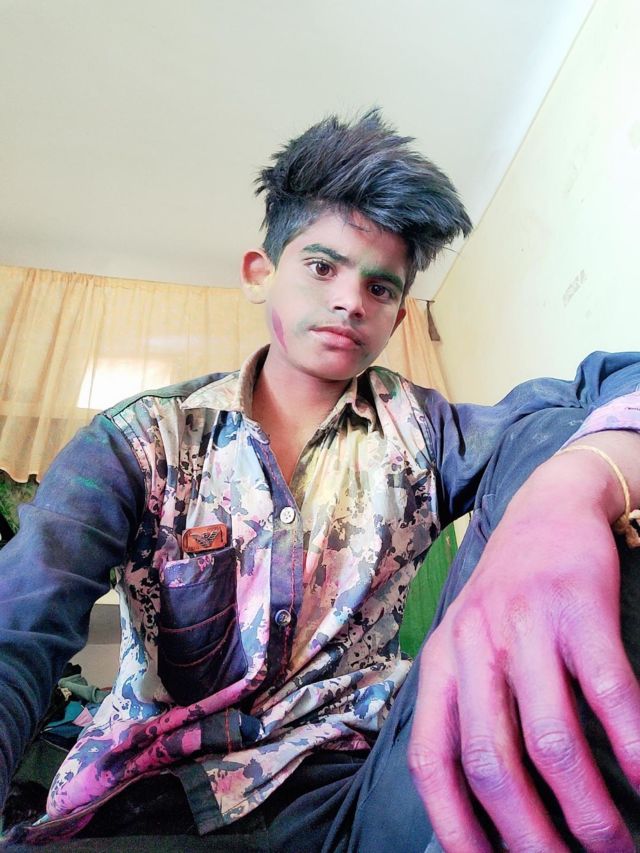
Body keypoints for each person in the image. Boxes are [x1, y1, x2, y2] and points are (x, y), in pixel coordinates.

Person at [0, 110, 639, 852]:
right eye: (323, 267)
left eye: (381, 287)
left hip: (363, 784)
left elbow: (605, 388)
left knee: (578, 449)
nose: (350, 301)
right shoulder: (142, 440)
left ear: (398, 315)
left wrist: (575, 488)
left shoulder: (428, 433)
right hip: (156, 797)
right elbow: (19, 630)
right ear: (260, 273)